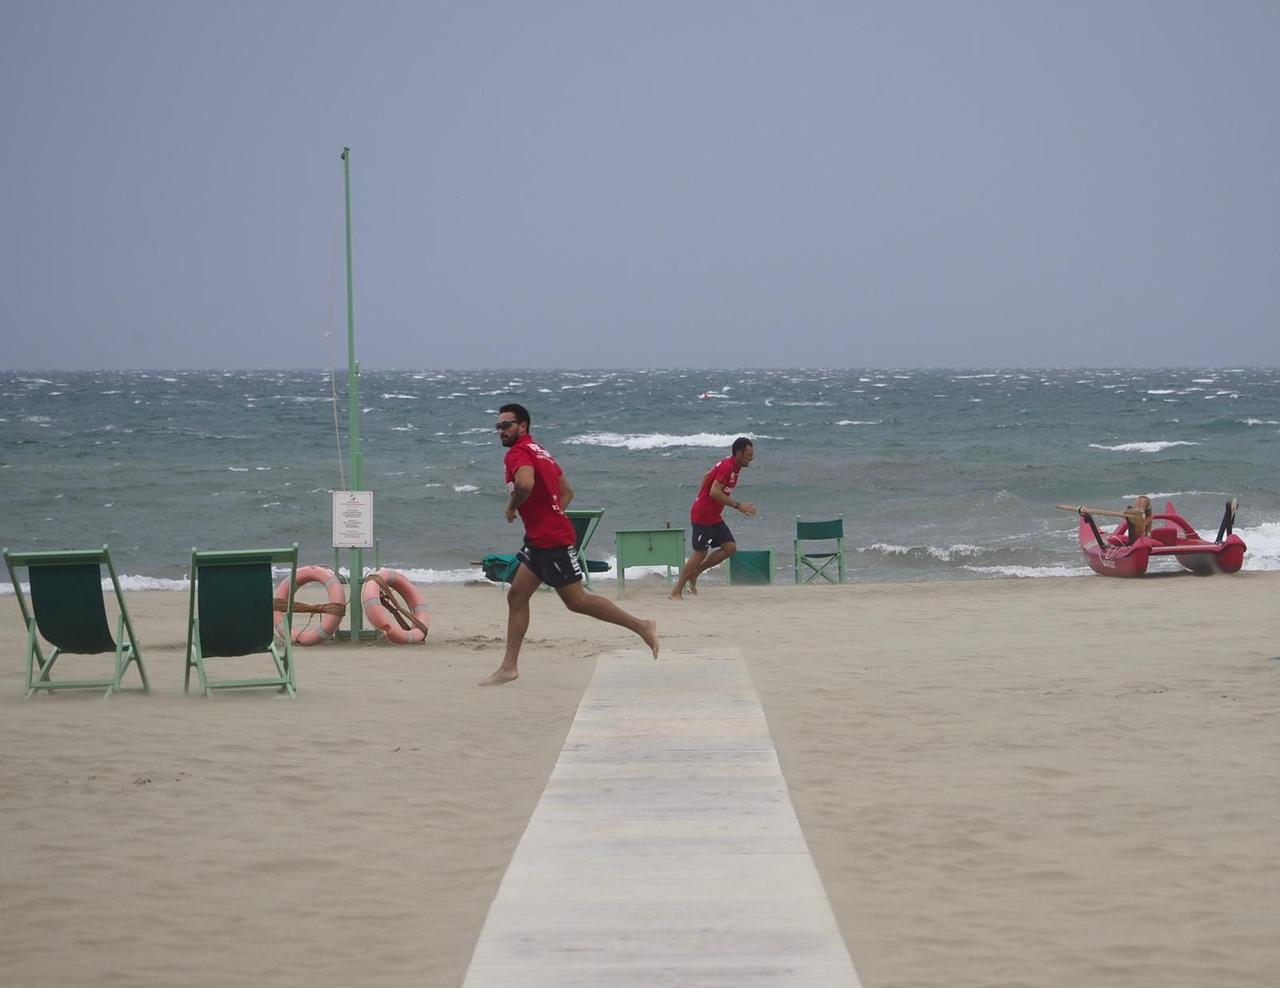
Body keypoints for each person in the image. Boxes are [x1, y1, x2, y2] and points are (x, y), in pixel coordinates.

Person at [479, 403, 659, 686]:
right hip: (541, 538)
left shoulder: (519, 453)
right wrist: (550, 516)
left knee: (577, 601)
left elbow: (525, 485)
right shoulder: (542, 452)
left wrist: (512, 508)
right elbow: (567, 492)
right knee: (516, 596)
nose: (500, 431)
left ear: (523, 426)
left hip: (550, 540)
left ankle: (642, 626)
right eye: (498, 426)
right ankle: (508, 667)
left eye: (506, 425)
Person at [669, 437, 758, 600]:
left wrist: (700, 496)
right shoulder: (727, 467)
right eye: (749, 454)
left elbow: (707, 476)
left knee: (730, 547)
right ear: (739, 453)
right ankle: (676, 590)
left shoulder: (733, 466)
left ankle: (696, 573)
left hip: (714, 516)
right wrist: (739, 506)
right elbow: (714, 492)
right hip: (703, 515)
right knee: (700, 553)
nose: (752, 458)